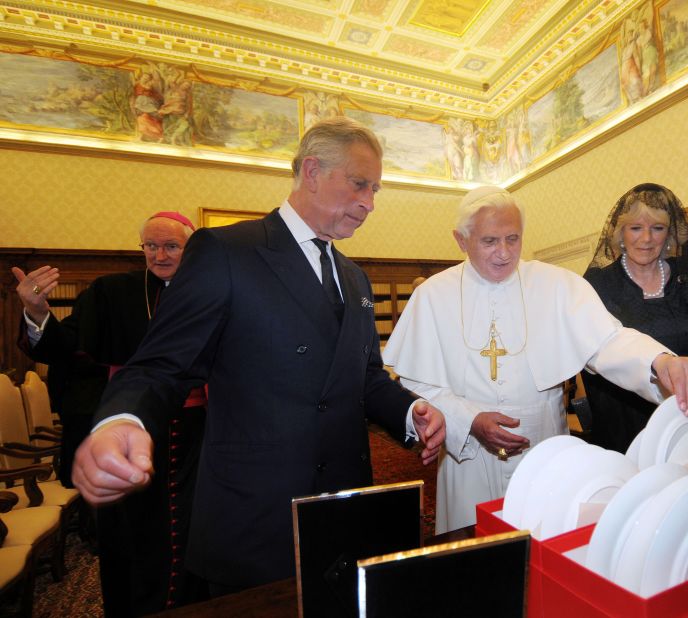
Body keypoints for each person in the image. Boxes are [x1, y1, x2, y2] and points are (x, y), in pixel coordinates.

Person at [70, 117, 446, 597]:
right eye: (359, 184)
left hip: (342, 509)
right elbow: (160, 363)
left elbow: (365, 375)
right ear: (311, 170)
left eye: (375, 190)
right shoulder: (227, 251)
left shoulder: (355, 278)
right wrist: (124, 419)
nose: (370, 203)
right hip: (255, 515)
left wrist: (409, 411)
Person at [382, 186, 688, 534]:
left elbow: (607, 340)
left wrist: (659, 361)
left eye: (513, 238)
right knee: (478, 561)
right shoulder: (432, 296)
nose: (504, 253)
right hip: (469, 462)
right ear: (461, 240)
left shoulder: (556, 285)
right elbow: (418, 382)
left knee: (549, 553)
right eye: (490, 241)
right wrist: (469, 420)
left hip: (544, 451)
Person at [12, 211, 206, 615]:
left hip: (198, 433)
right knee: (130, 536)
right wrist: (36, 312)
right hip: (130, 428)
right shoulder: (112, 291)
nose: (159, 255)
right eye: (150, 246)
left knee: (194, 532)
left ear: (191, 248)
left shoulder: (211, 291)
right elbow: (67, 346)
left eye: (171, 246)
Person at [583, 183, 688, 453]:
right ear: (620, 233)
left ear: (670, 234)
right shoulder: (599, 284)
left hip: (684, 415)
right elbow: (594, 353)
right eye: (636, 228)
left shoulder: (687, 279)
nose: (647, 239)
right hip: (624, 422)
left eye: (657, 228)